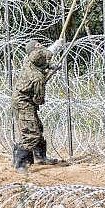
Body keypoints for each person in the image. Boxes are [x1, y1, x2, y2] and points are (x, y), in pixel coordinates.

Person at [11, 40, 63, 174]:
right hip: (24, 102)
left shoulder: (29, 62)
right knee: (31, 133)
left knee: (37, 127)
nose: (41, 46)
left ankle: (41, 157)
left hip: (24, 100)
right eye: (38, 46)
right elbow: (39, 99)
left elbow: (40, 60)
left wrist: (51, 66)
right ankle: (21, 163)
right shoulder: (37, 78)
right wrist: (53, 50)